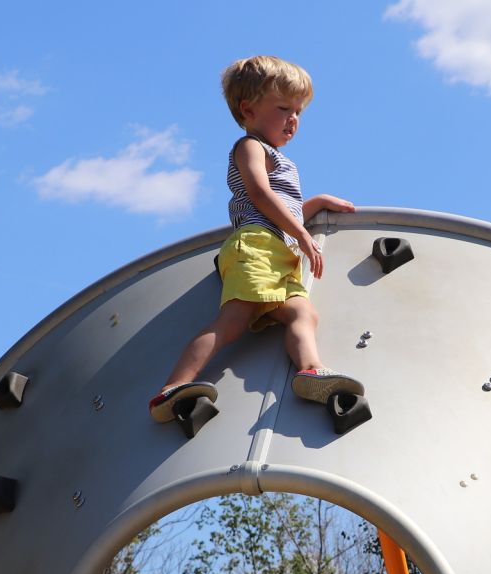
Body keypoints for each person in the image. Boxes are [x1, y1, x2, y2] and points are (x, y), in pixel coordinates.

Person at [149, 55, 364, 422]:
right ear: (248, 110)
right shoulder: (249, 148)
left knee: (303, 313)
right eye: (284, 108)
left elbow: (290, 209)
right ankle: (172, 387)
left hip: (280, 254)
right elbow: (261, 196)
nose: (293, 119)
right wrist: (301, 233)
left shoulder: (282, 160)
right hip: (257, 246)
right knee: (233, 320)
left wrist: (317, 204)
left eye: (299, 111)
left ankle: (310, 370)